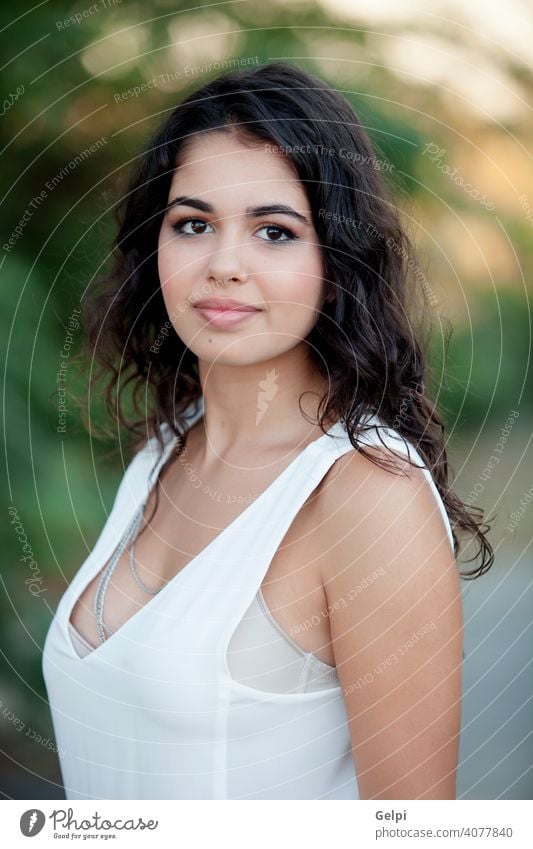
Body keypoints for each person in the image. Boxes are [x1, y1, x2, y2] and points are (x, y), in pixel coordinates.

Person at [42, 61, 493, 800]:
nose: (223, 265)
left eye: (274, 232)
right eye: (193, 224)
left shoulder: (366, 496)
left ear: (337, 260)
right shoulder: (165, 449)